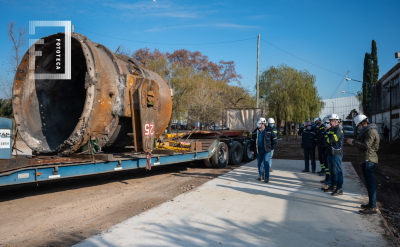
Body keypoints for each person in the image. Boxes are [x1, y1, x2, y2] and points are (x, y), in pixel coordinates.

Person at [347, 114, 380, 214]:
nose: (358, 127)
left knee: (370, 184)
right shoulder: (368, 130)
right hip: (366, 159)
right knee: (368, 183)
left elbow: (366, 146)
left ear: (363, 123)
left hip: (368, 160)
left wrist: (353, 142)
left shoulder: (370, 131)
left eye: (358, 125)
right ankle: (371, 204)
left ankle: (372, 207)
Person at [323, 114, 344, 196]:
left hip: (336, 153)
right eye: (330, 121)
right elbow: (325, 138)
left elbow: (331, 139)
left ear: (336, 121)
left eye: (332, 121)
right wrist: (327, 139)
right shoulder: (331, 129)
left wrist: (327, 139)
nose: (330, 122)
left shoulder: (339, 129)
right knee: (332, 171)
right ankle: (333, 186)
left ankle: (339, 189)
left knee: (338, 171)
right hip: (330, 152)